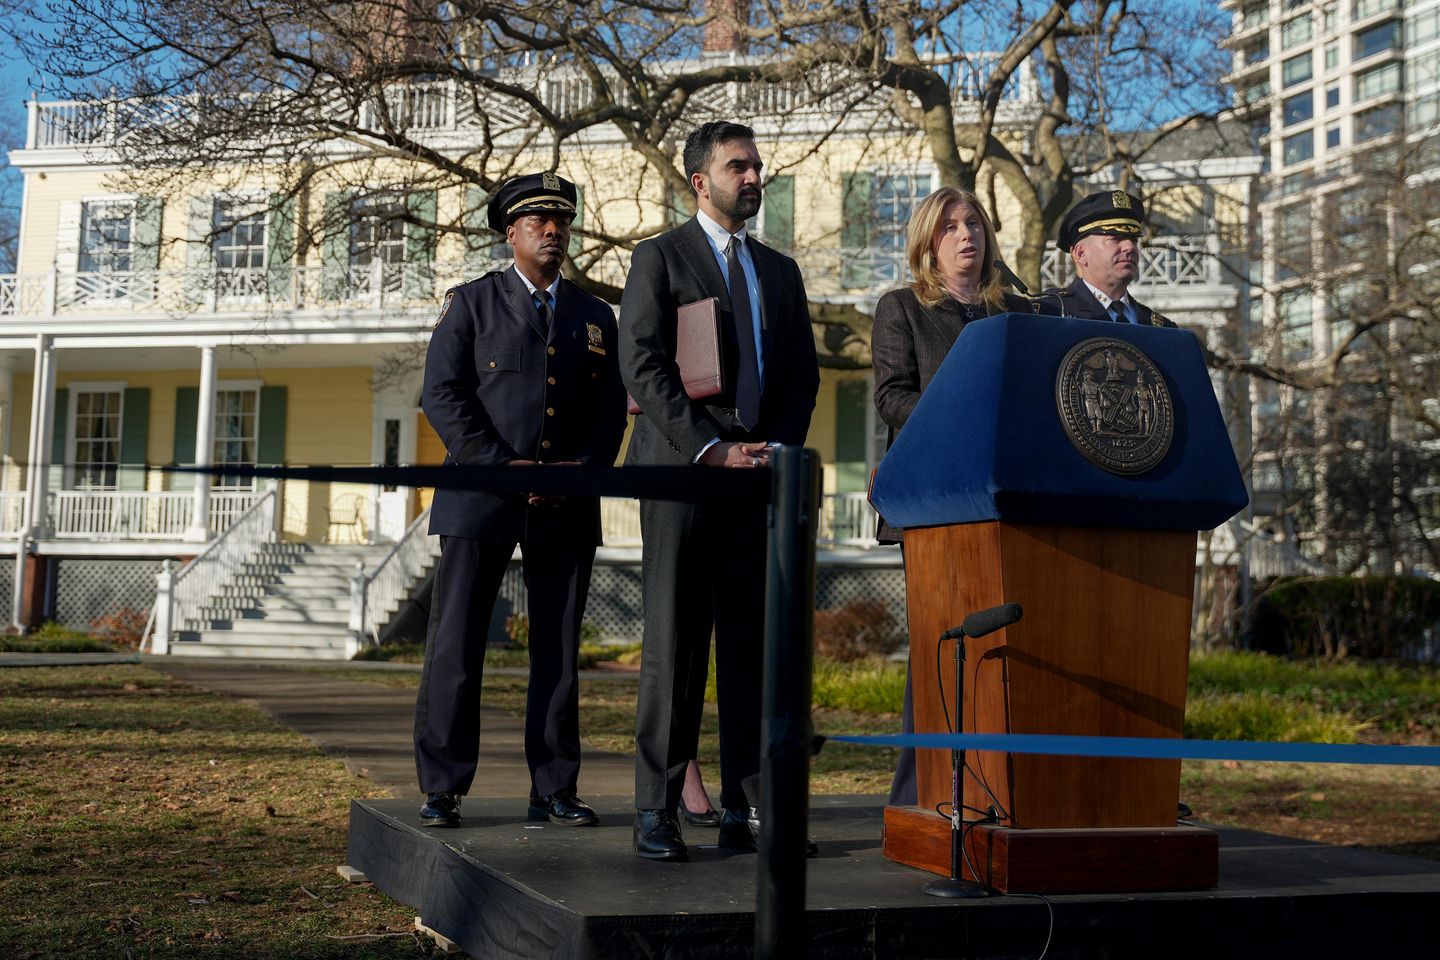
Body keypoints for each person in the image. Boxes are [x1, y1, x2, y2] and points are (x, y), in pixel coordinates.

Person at [620, 120, 820, 861]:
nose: (754, 177)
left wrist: (771, 451)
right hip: (684, 474)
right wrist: (711, 447)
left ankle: (747, 809)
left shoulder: (780, 272)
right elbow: (642, 365)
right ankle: (656, 809)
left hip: (757, 480)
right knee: (673, 645)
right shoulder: (660, 258)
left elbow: (801, 374)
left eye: (758, 166)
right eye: (739, 166)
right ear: (700, 181)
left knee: (750, 647)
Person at [414, 172, 627, 829]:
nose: (553, 231)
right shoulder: (471, 304)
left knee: (557, 651)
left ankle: (554, 786)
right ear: (511, 232)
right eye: (539, 221)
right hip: (481, 495)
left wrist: (577, 472)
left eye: (562, 221)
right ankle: (443, 786)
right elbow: (442, 396)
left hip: (566, 500)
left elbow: (609, 412)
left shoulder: (596, 316)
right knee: (457, 644)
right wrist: (504, 467)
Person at [871, 186, 1035, 807]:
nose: (966, 235)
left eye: (974, 224)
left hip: (1006, 505)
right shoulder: (902, 307)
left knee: (1004, 649)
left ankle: (998, 788)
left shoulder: (1014, 313)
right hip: (935, 504)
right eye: (949, 227)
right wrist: (966, 418)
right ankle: (920, 793)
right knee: (939, 646)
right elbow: (892, 397)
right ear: (928, 243)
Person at [1039, 190, 1176, 328]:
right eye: (1115, 238)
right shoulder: (1050, 313)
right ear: (1081, 254)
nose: (1129, 247)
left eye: (1134, 239)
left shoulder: (1161, 327)